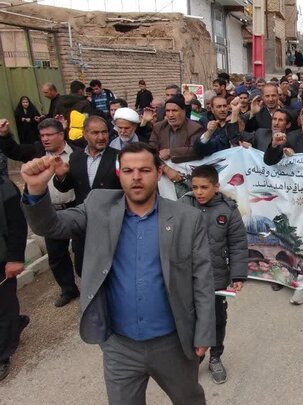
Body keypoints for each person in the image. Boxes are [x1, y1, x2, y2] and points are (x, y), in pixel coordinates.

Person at [20, 142, 215, 404]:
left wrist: (203, 332)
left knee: (189, 399)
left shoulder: (186, 218)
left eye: (144, 170)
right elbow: (50, 226)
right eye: (128, 170)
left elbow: (202, 278)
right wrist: (36, 188)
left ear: (158, 173)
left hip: (173, 343)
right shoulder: (97, 206)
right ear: (118, 174)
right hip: (119, 346)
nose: (136, 177)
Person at [0, 118, 80, 307]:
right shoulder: (35, 153)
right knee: (57, 256)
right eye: (42, 135)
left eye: (49, 135)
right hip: (50, 212)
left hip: (76, 208)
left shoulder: (78, 152)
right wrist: (4, 135)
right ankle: (68, 289)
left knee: (82, 251)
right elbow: (14, 150)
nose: (45, 139)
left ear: (61, 134)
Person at [180, 165, 247, 385]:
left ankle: (215, 357)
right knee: (189, 319)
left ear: (216, 187)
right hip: (188, 277)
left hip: (218, 278)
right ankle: (193, 359)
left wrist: (237, 275)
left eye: (204, 187)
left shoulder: (228, 210)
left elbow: (238, 244)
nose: (198, 192)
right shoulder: (183, 205)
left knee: (218, 318)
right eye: (195, 187)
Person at [53, 116, 122, 277]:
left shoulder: (119, 156)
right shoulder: (76, 158)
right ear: (85, 134)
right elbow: (66, 187)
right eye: (95, 133)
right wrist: (61, 176)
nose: (101, 137)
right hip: (85, 225)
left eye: (104, 132)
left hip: (111, 222)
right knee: (84, 269)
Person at [0, 175, 28, 382]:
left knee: (3, 307)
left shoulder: (5, 187)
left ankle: (2, 357)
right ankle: (15, 324)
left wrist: (15, 258)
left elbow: (17, 224)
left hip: (2, 260)